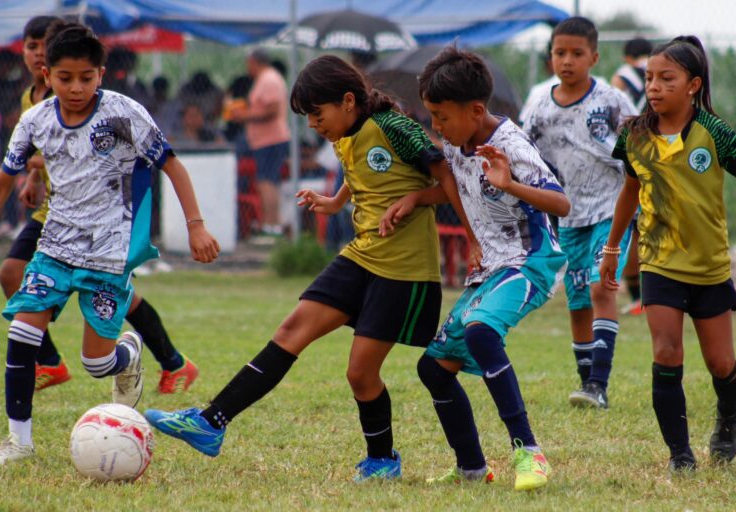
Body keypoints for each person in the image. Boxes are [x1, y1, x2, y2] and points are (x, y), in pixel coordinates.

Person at [144, 54, 474, 482]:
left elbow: (447, 179)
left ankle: (382, 460)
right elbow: (362, 174)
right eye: (308, 118)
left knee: (360, 373)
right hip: (361, 254)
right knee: (289, 332)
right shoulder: (345, 133)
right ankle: (211, 422)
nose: (314, 125)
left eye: (318, 115)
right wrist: (335, 202)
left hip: (403, 269)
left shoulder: (395, 127)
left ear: (349, 101)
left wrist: (471, 240)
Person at [0, 21, 220, 465]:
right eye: (65, 78)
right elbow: (2, 180)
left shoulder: (124, 114)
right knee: (22, 331)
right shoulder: (34, 119)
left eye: (86, 78)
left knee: (95, 364)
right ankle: (19, 442)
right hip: (54, 247)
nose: (75, 87)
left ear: (101, 74)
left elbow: (173, 166)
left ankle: (128, 352)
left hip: (108, 253)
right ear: (47, 75)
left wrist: (197, 226)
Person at [383, 46, 569, 491]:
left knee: (482, 332)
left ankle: (530, 452)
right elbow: (458, 188)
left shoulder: (510, 146)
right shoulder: (454, 138)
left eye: (441, 116)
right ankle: (470, 468)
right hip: (492, 267)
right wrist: (414, 198)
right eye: (431, 115)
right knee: (433, 368)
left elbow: (561, 202)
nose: (435, 126)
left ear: (477, 109)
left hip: (530, 261)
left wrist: (513, 184)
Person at [0, 16, 201, 396]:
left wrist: (196, 224)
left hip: (106, 231)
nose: (38, 49)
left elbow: (161, 162)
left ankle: (167, 360)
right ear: (41, 65)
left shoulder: (117, 111)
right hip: (56, 220)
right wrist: (32, 176)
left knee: (118, 307)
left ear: (98, 73)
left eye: (45, 42)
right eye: (31, 44)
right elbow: (41, 152)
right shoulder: (33, 106)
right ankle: (50, 364)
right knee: (12, 275)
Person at [600, 36, 736, 471]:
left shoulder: (714, 133)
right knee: (666, 353)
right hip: (659, 261)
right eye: (649, 78)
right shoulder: (634, 135)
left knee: (721, 363)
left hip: (711, 265)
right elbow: (629, 191)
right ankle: (681, 455)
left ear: (693, 84)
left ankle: (730, 417)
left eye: (666, 78)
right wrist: (612, 249)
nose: (654, 87)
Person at [521, 17, 637, 410]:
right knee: (577, 303)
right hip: (567, 218)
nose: (566, 61)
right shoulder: (538, 107)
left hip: (611, 208)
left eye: (576, 53)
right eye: (559, 53)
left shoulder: (611, 101)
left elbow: (638, 149)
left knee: (599, 288)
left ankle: (598, 385)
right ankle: (587, 381)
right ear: (550, 56)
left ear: (594, 57)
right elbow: (525, 156)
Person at [611, 37, 653, 316]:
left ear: (628, 56)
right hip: (663, 150)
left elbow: (614, 112)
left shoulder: (623, 76)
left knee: (632, 228)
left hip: (635, 148)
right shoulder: (665, 70)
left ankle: (639, 297)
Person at [231, 49, 290, 238]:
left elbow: (272, 110)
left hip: (270, 140)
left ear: (256, 62)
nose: (247, 68)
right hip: (263, 140)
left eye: (248, 63)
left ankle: (271, 226)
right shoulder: (266, 79)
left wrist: (245, 115)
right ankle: (269, 224)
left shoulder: (269, 79)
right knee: (265, 181)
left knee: (267, 182)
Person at [611, 37, 653, 113]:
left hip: (633, 121)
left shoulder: (623, 73)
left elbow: (613, 103)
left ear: (628, 57)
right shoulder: (661, 68)